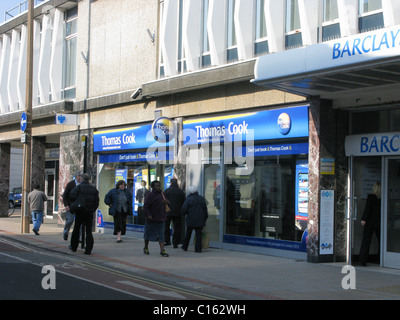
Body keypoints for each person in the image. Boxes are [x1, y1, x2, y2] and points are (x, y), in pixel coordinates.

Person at [69, 173, 99, 255]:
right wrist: (93, 209)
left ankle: (74, 246)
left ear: (82, 179)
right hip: (89, 212)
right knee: (89, 231)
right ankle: (88, 249)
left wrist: (74, 205)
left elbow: (71, 196)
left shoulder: (78, 187)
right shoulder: (93, 189)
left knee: (77, 228)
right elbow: (97, 202)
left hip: (80, 211)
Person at [143, 180, 170, 257]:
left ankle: (162, 250)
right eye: (156, 186)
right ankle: (146, 247)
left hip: (161, 218)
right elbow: (146, 206)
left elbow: (168, 202)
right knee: (148, 234)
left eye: (159, 185)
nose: (158, 187)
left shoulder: (162, 194)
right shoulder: (150, 195)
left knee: (161, 235)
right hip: (152, 218)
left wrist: (167, 202)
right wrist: (148, 215)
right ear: (153, 187)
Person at [359, 182, 381, 266]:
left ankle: (362, 260)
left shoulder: (371, 197)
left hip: (369, 222)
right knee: (381, 241)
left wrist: (363, 219)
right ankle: (381, 259)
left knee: (366, 240)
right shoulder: (383, 198)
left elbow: (367, 209)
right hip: (379, 222)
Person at [181, 185, 208, 253]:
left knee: (188, 233)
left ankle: (185, 246)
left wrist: (183, 214)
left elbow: (184, 209)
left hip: (191, 218)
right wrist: (205, 217)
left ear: (190, 192)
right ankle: (198, 249)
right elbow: (205, 209)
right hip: (200, 219)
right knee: (198, 234)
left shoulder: (188, 199)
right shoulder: (201, 198)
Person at [164, 178, 186, 248]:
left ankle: (167, 241)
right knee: (177, 228)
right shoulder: (181, 192)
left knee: (166, 227)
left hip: (168, 212)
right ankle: (175, 243)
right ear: (177, 183)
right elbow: (184, 202)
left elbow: (163, 201)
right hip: (178, 213)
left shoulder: (166, 191)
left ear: (170, 183)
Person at [62, 172, 82, 241]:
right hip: (71, 206)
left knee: (79, 223)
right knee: (69, 221)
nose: (80, 177)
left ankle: (78, 238)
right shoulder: (70, 184)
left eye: (81, 176)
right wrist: (66, 205)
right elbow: (65, 195)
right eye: (79, 176)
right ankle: (66, 232)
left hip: (79, 207)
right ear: (76, 176)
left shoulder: (82, 184)